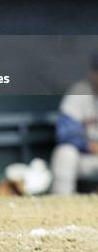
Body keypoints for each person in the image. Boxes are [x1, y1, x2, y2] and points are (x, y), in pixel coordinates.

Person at [51, 55, 98, 194]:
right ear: (93, 73)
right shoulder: (80, 92)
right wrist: (89, 145)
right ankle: (61, 206)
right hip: (87, 156)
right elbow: (65, 133)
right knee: (65, 153)